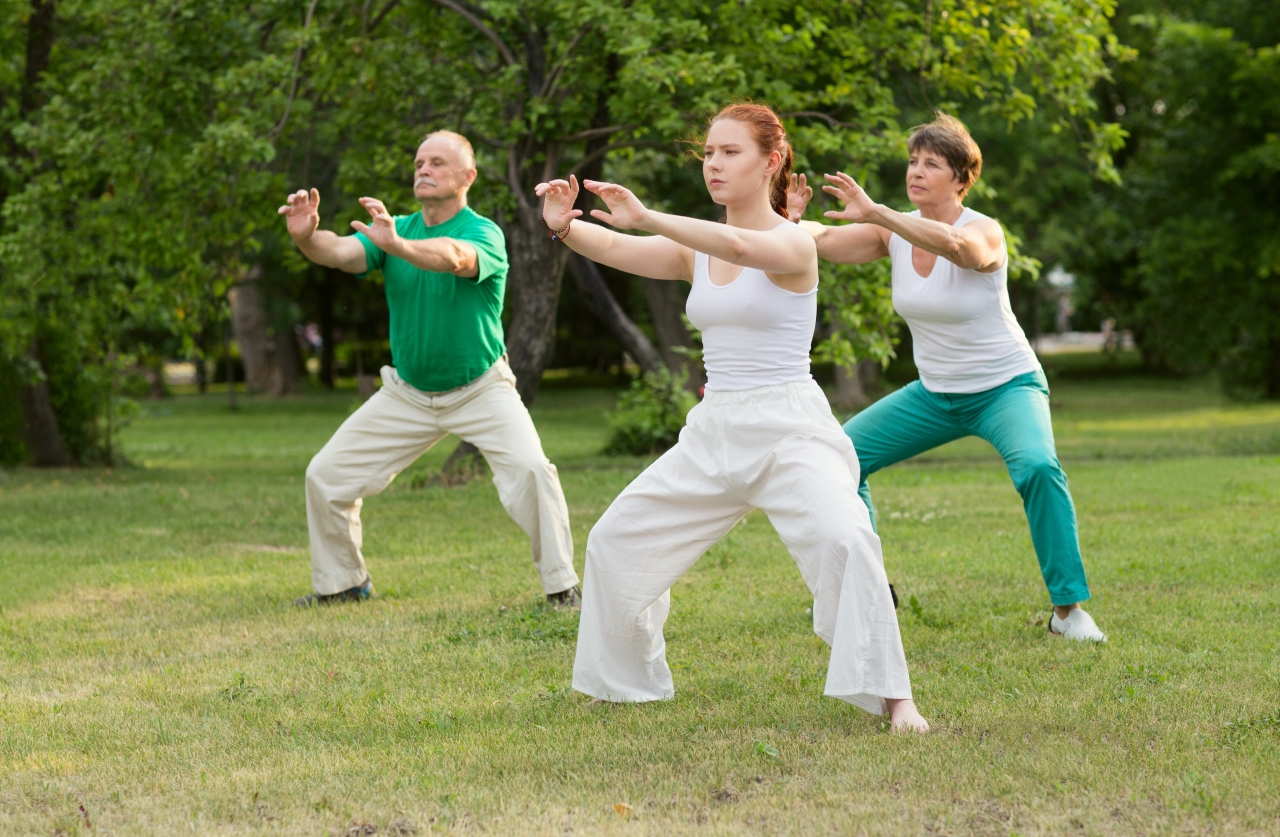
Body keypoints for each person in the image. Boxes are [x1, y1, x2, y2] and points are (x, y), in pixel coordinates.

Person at [536, 103, 930, 732]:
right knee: (614, 540)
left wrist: (647, 214)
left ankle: (894, 697)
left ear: (771, 162)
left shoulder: (794, 241)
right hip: (714, 431)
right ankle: (624, 685)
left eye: (729, 153)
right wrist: (564, 227)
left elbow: (744, 243)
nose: (713, 165)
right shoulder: (695, 250)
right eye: (709, 154)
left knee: (847, 540)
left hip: (790, 432)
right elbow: (617, 246)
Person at [787, 112, 1105, 642]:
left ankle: (1068, 612)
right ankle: (870, 590)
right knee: (840, 458)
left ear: (961, 179)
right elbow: (820, 241)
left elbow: (962, 251)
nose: (917, 171)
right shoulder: (890, 234)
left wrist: (880, 213)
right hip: (934, 395)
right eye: (913, 161)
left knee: (1037, 468)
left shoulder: (983, 229)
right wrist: (789, 222)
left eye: (931, 163)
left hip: (1006, 387)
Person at [278, 130, 580, 609]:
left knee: (531, 472)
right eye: (420, 162)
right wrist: (306, 237)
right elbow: (337, 252)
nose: (424, 169)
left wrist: (396, 246)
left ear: (467, 177)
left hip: (481, 388)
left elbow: (454, 258)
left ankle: (562, 586)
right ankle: (344, 584)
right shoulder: (391, 229)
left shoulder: (483, 233)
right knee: (325, 475)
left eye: (438, 163)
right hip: (408, 394)